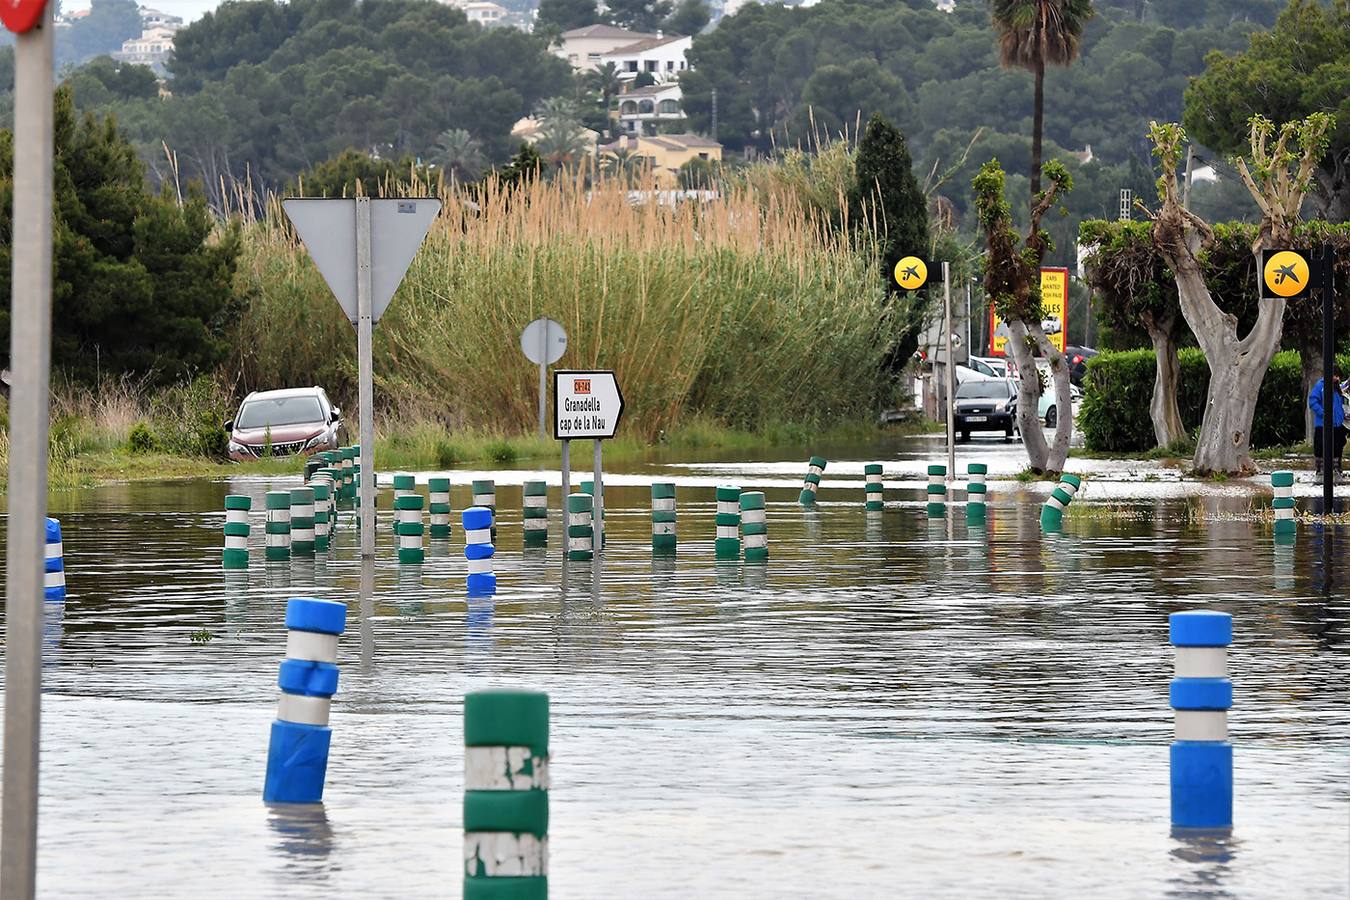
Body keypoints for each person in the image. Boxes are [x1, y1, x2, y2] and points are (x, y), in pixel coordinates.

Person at [1308, 365, 1346, 480]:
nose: (1337, 379)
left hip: (1337, 424)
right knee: (1321, 446)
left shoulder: (1337, 389)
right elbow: (1313, 401)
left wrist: (1343, 416)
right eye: (1336, 376)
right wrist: (1324, 413)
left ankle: (1336, 468)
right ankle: (1320, 469)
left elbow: (1339, 406)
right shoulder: (1320, 386)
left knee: (1338, 445)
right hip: (1323, 424)